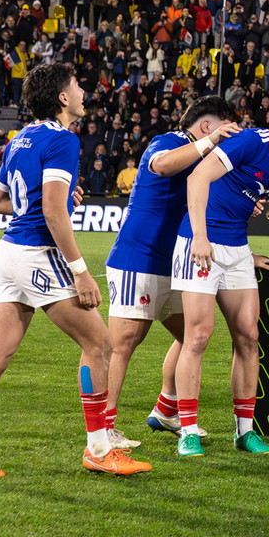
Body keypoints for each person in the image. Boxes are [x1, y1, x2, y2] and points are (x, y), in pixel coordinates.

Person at [0, 63, 151, 477]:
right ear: (63, 97)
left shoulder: (20, 138)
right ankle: (99, 450)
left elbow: (1, 203)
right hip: (38, 254)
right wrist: (81, 271)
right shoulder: (63, 139)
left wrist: (62, 202)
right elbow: (50, 211)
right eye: (77, 86)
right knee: (100, 345)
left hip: (8, 253)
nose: (84, 91)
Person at [173, 96, 269, 459]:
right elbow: (198, 176)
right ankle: (187, 431)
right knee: (197, 336)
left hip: (237, 250)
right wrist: (199, 236)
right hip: (200, 243)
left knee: (248, 335)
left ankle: (244, 431)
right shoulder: (252, 141)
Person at [103, 96, 240, 448]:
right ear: (208, 126)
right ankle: (103, 427)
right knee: (122, 345)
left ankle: (167, 409)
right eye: (225, 127)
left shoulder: (204, 158)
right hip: (139, 258)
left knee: (193, 335)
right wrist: (211, 142)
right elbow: (162, 167)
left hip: (174, 262)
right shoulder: (169, 142)